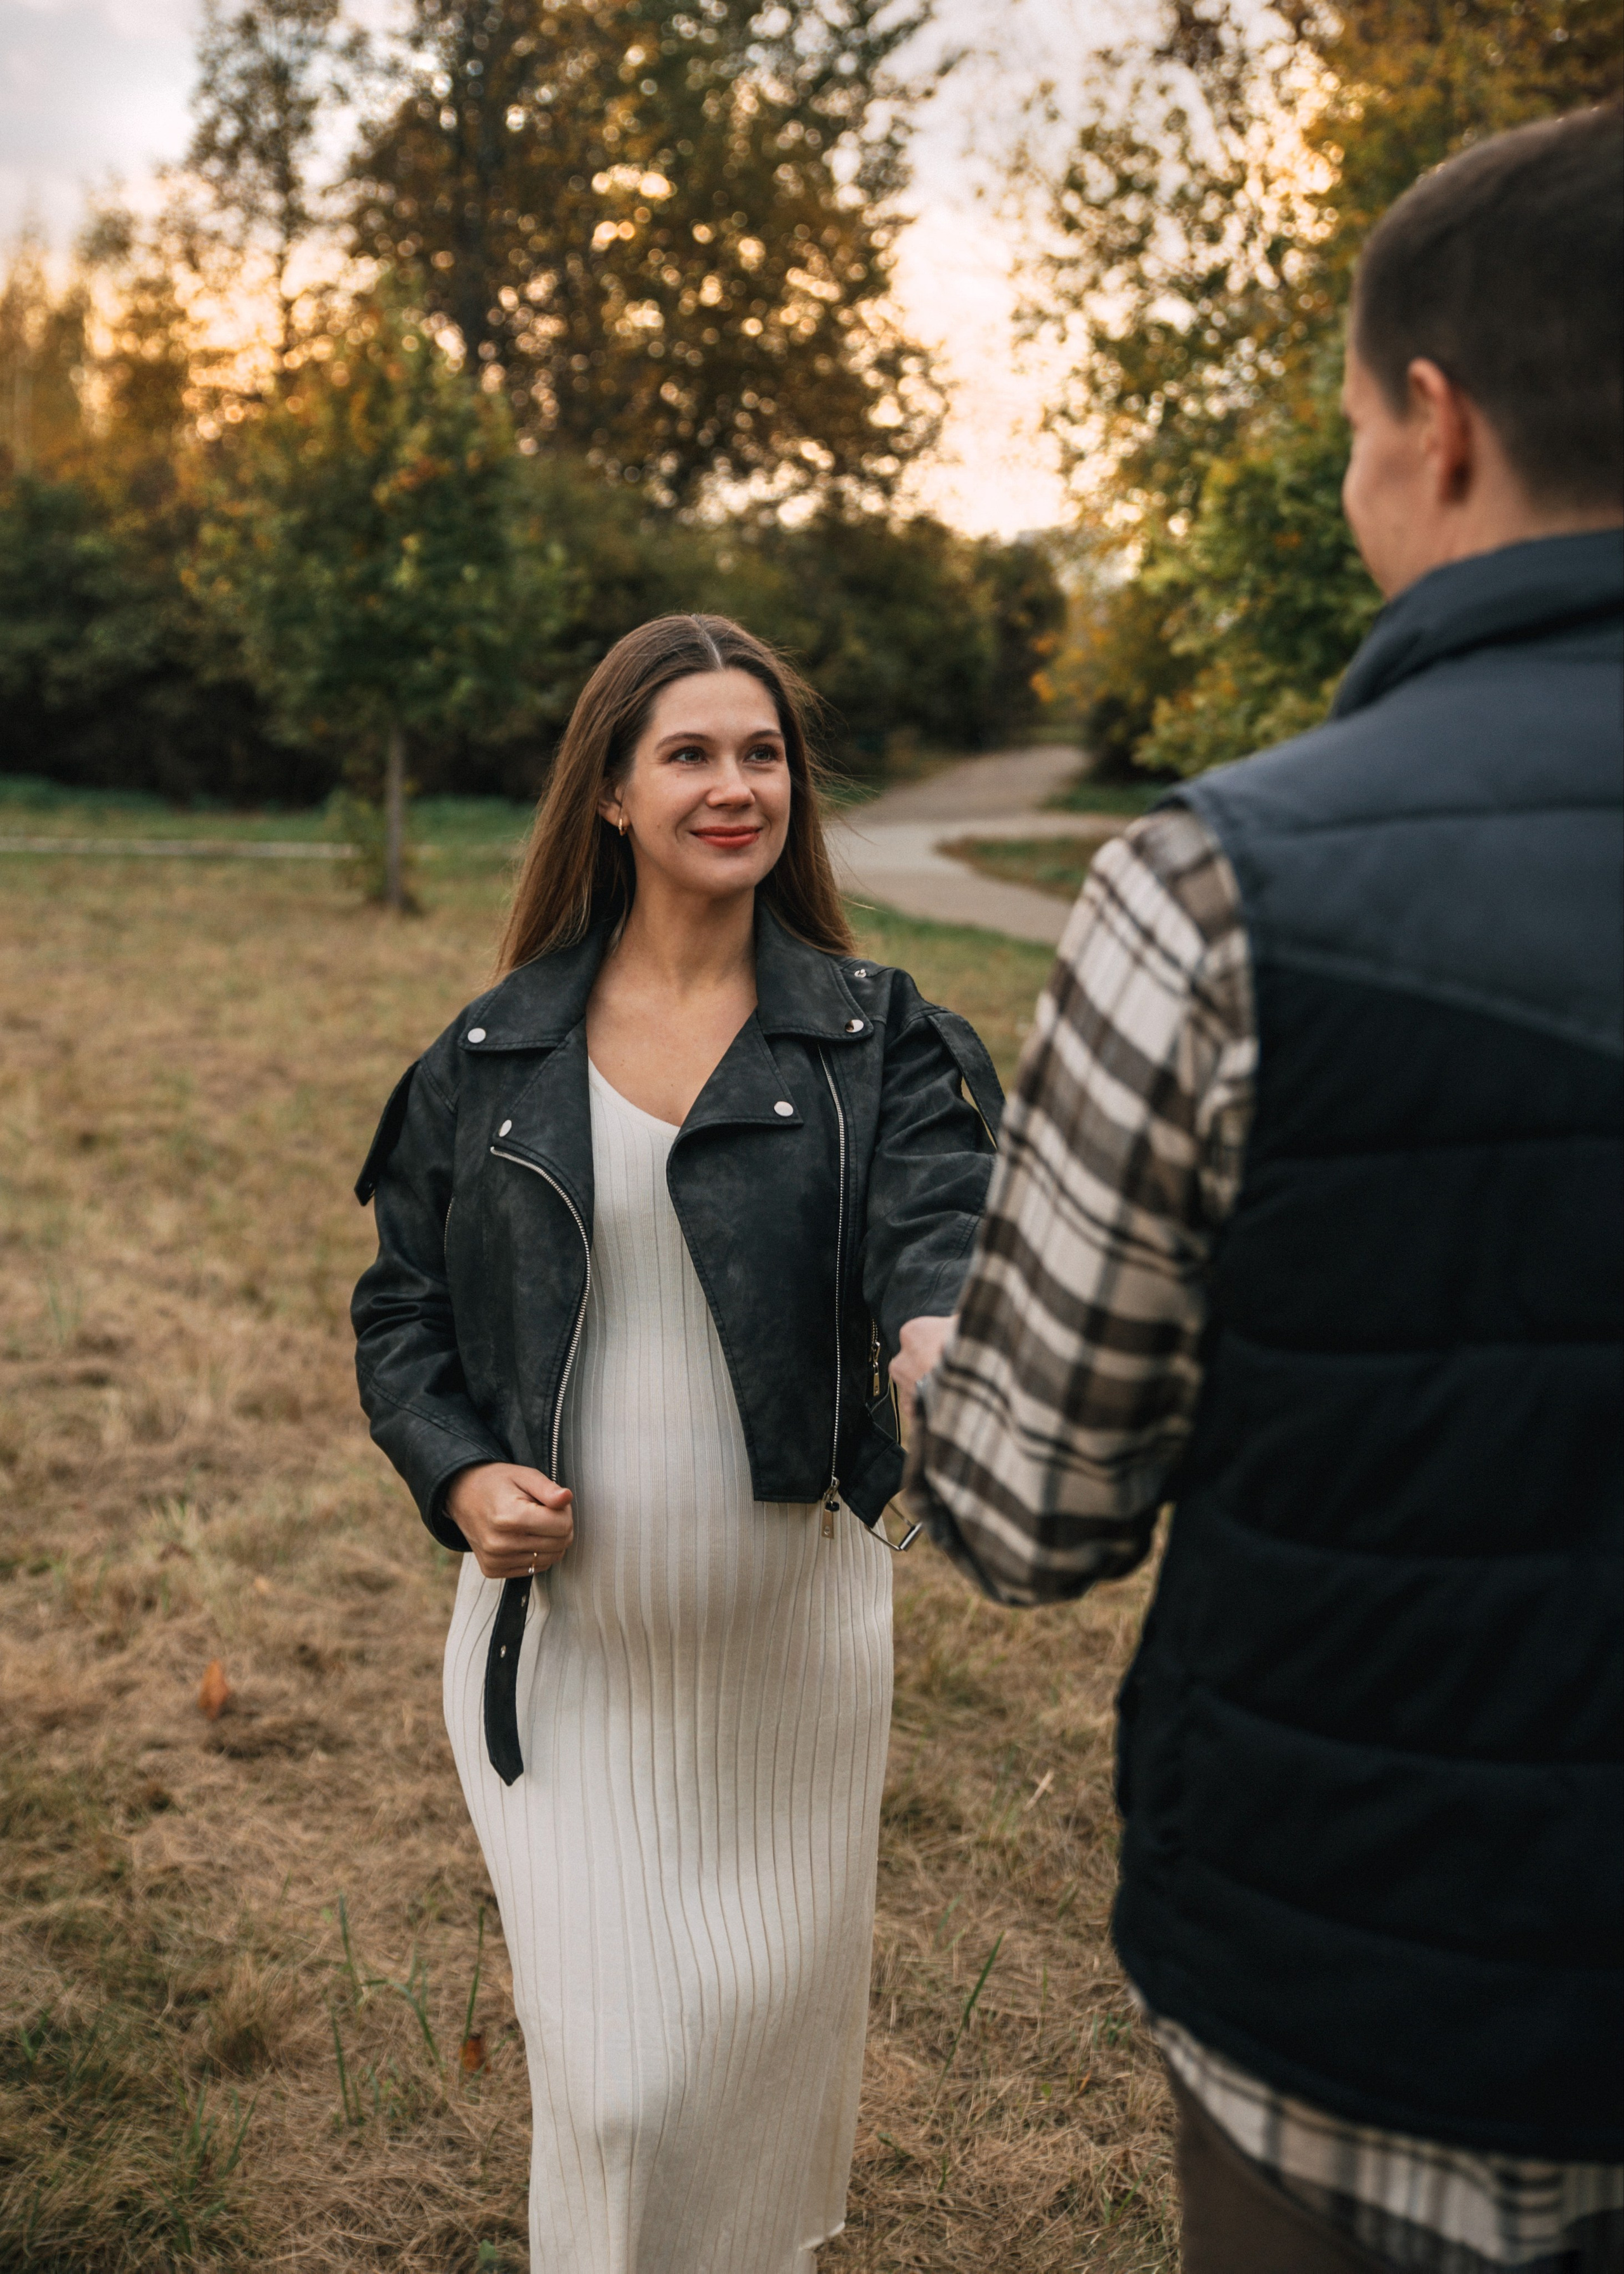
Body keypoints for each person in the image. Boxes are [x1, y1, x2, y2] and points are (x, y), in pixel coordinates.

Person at [897, 108, 1623, 2274]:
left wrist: (943, 1356)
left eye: (1344, 434)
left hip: (1361, 2026)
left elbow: (1035, 1515)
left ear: (1437, 421)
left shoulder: (1216, 889)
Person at [351, 615, 1001, 2273]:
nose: (737, 786)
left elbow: (941, 1225)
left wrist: (942, 1339)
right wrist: (458, 1471)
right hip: (560, 1668)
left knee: (744, 2102)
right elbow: (401, 1311)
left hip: (794, 1666)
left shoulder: (874, 1039)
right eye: (692, 755)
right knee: (628, 2093)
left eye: (763, 752)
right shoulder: (496, 1055)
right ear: (614, 799)